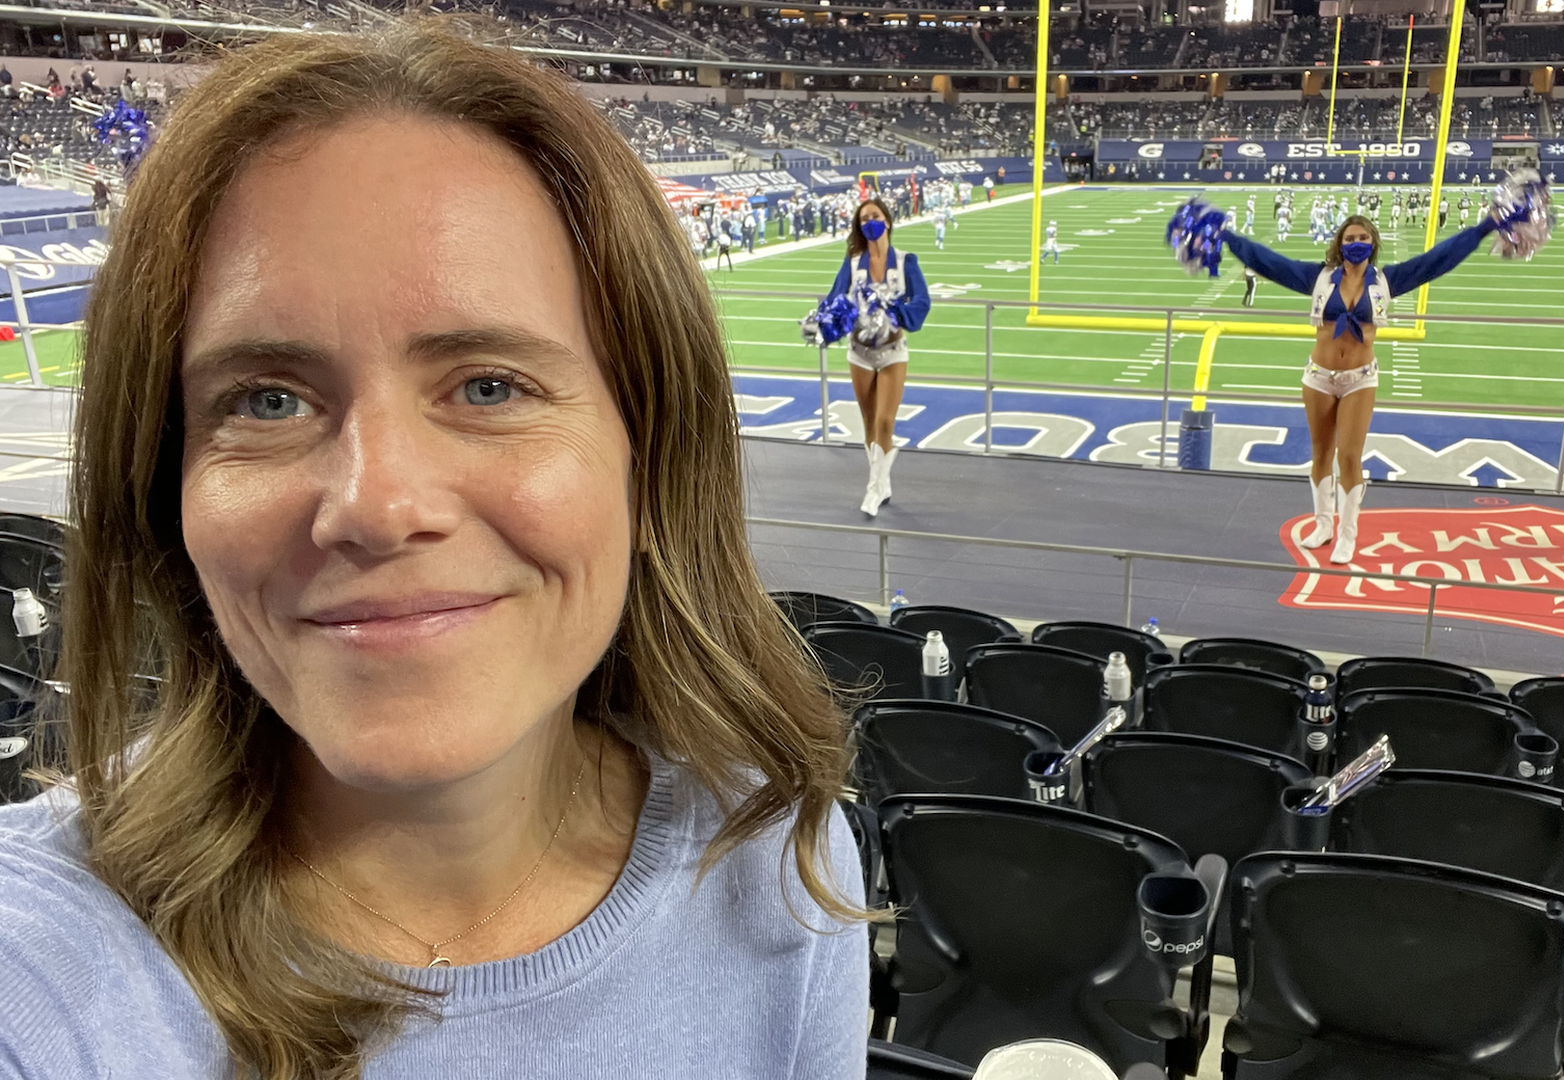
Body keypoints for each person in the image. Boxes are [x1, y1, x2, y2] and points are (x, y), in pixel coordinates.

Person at [0, 20, 867, 1080]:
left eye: (489, 386)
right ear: (164, 483)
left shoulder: (781, 856)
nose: (376, 504)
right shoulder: (36, 974)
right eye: (267, 400)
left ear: (651, 456)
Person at [1223, 210, 1508, 563]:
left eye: (1363, 238)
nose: (1356, 244)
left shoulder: (1389, 280)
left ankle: (1347, 535)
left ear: (1373, 244)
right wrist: (1227, 236)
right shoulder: (1319, 278)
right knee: (1321, 454)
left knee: (1349, 457)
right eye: (1350, 238)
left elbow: (1438, 260)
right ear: (1338, 244)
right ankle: (1323, 524)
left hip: (1360, 379)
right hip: (1318, 376)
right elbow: (1268, 261)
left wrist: (1483, 228)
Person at [827, 199, 930, 516]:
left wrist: (895, 314)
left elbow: (922, 300)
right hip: (859, 351)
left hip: (892, 352)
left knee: (886, 420)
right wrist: (832, 322)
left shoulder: (905, 262)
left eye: (875, 216)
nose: (869, 222)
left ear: (887, 220)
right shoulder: (854, 261)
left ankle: (873, 489)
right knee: (869, 420)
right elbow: (835, 297)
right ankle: (881, 482)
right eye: (864, 219)